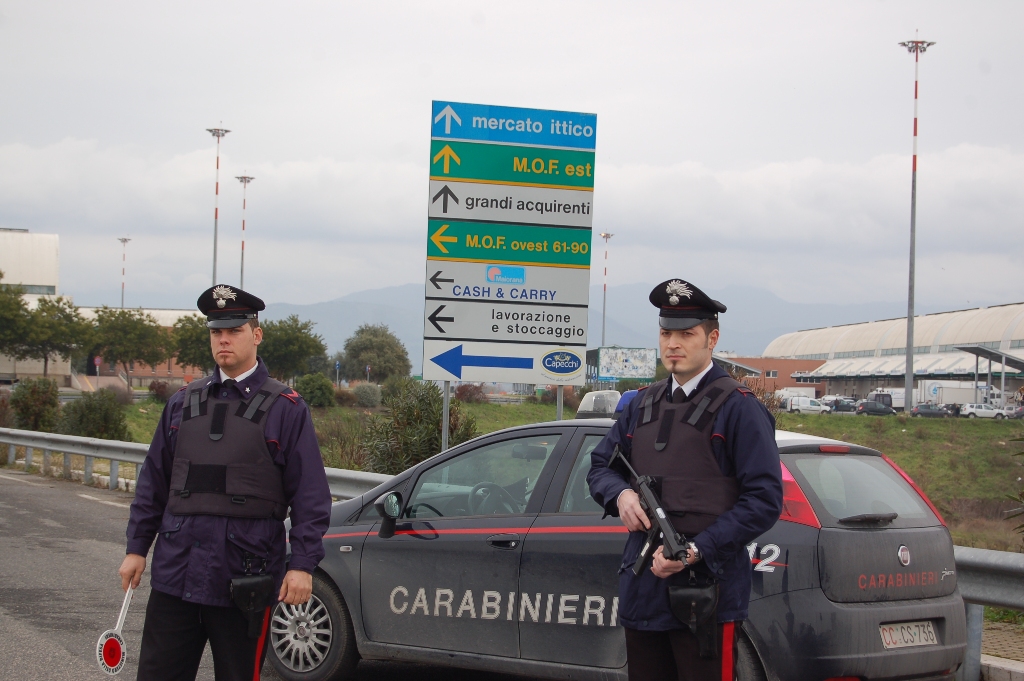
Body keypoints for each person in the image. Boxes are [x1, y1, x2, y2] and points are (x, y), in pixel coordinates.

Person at [118, 285, 332, 681]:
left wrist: (302, 566)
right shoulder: (182, 402)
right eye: (216, 331)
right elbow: (154, 482)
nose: (224, 339)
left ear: (257, 334)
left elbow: (311, 498)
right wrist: (136, 548)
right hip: (176, 574)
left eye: (234, 330)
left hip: (243, 580)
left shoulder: (286, 409)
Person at [587, 279, 783, 681]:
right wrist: (621, 495)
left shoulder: (739, 409)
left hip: (706, 596)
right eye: (666, 333)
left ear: (712, 339)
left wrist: (696, 551)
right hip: (644, 591)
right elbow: (599, 468)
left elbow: (763, 500)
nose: (673, 343)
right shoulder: (639, 405)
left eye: (686, 334)